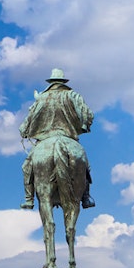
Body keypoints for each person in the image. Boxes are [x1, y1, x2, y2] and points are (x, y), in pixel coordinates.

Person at [19, 69, 95, 210]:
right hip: (68, 138)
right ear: (63, 82)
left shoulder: (41, 98)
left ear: (50, 82)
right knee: (85, 165)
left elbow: (28, 121)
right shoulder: (73, 95)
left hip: (45, 140)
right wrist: (84, 125)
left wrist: (24, 131)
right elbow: (87, 114)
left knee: (27, 167)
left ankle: (29, 199)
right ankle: (85, 197)